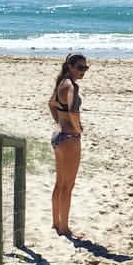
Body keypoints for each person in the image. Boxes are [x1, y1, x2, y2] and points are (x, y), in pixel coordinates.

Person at [48, 52, 88, 238]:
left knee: (60, 184)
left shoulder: (61, 83)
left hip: (58, 135)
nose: (83, 71)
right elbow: (72, 109)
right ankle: (64, 228)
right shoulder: (71, 85)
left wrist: (58, 121)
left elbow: (51, 104)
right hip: (70, 138)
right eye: (80, 67)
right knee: (67, 186)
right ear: (70, 67)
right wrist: (77, 127)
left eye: (85, 68)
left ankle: (56, 223)